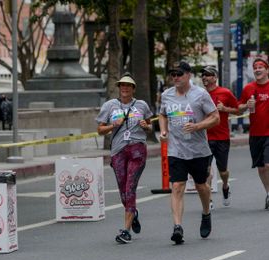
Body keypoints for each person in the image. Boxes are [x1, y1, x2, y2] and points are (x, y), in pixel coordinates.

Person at [158, 61, 220, 244]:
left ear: (188, 75)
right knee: (177, 186)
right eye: (172, 74)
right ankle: (177, 227)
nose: (175, 77)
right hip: (176, 149)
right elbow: (162, 114)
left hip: (199, 150)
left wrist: (197, 126)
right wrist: (163, 130)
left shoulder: (200, 94)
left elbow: (215, 118)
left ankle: (206, 213)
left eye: (179, 73)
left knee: (202, 186)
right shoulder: (166, 95)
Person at [96, 72, 153, 244]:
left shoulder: (141, 105)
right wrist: (113, 125)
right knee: (123, 191)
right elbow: (100, 129)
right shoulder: (110, 106)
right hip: (118, 150)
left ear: (133, 89)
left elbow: (150, 126)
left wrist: (146, 126)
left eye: (128, 86)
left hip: (137, 149)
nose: (125, 88)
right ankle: (132, 212)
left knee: (130, 187)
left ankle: (126, 230)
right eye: (122, 85)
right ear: (119, 88)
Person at [201, 66, 239, 209]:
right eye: (203, 75)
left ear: (215, 78)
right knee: (207, 170)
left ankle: (225, 186)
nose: (205, 77)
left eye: (208, 75)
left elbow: (237, 110)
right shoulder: (199, 94)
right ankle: (209, 199)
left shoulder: (225, 93)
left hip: (222, 137)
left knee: (223, 171)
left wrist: (225, 109)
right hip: (205, 138)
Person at [238, 57, 269, 209]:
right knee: (261, 168)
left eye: (260, 67)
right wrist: (246, 105)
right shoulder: (248, 88)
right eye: (255, 67)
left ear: (267, 70)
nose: (257, 69)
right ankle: (268, 193)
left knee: (268, 165)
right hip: (255, 134)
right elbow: (239, 108)